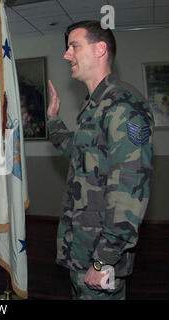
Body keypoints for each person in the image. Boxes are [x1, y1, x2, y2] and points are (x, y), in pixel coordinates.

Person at [47, 21, 153, 300]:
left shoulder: (123, 106)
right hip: (81, 251)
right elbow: (77, 150)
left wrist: (103, 260)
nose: (66, 55)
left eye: (74, 46)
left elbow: (129, 193)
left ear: (100, 49)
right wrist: (53, 121)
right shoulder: (94, 105)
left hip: (99, 257)